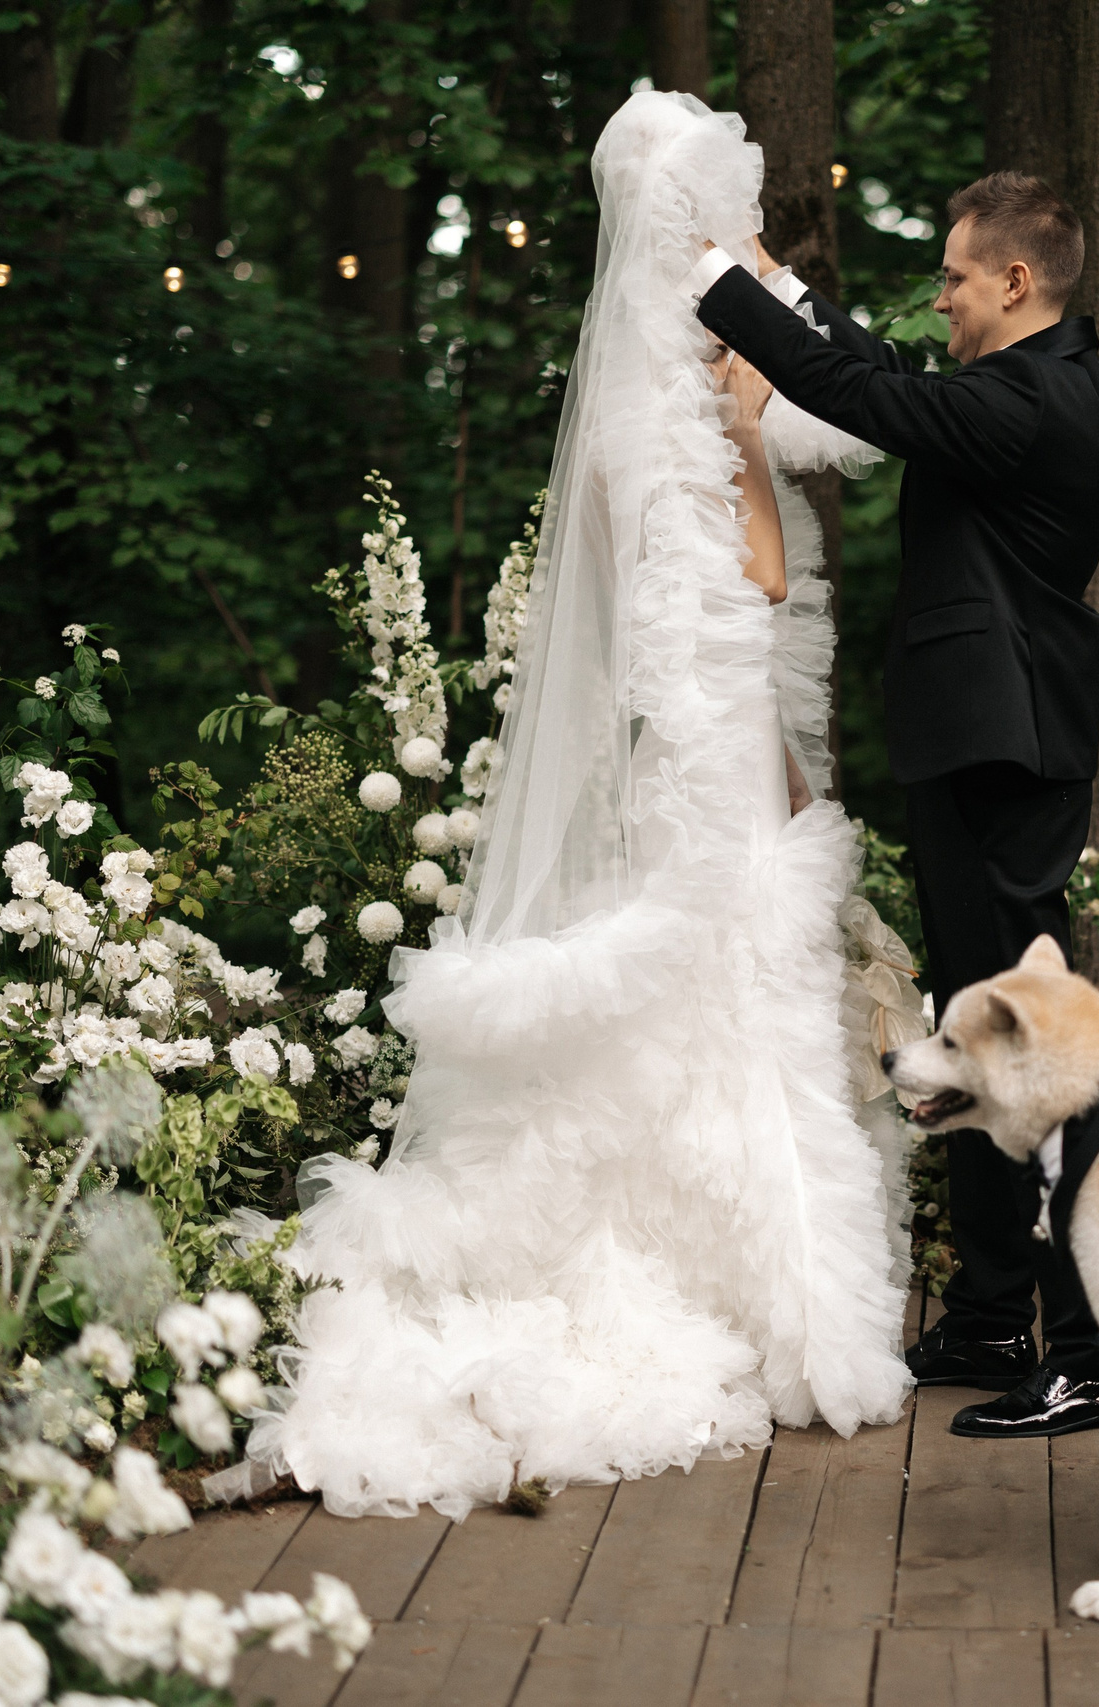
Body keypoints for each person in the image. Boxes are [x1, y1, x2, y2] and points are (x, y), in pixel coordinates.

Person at [247, 90, 913, 1517]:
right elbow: (768, 581)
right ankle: (772, 1302)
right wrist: (743, 421)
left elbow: (849, 428)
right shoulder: (671, 411)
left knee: (732, 1004)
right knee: (729, 998)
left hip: (719, 748)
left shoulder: (642, 387)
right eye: (721, 223)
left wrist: (769, 359)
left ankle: (763, 1281)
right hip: (704, 769)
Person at [688, 172, 1099, 1439]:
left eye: (949, 276)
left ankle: (1086, 1351)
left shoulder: (1036, 400)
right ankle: (993, 1315)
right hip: (977, 737)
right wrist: (769, 281)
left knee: (1018, 1046)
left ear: (1015, 282)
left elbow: (868, 396)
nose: (935, 298)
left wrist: (710, 285)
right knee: (968, 1029)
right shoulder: (1015, 387)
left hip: (1006, 744)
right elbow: (881, 366)